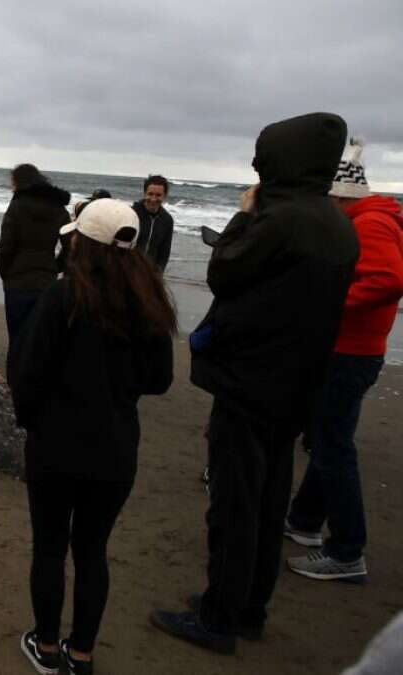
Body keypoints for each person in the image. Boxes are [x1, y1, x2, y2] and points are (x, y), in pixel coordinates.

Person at [150, 113, 360, 655]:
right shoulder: (335, 222)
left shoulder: (283, 219)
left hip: (251, 380)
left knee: (235, 501)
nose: (254, 165)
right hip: (296, 381)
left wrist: (246, 216)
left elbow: (226, 271)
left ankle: (219, 618)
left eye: (263, 155)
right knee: (268, 501)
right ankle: (247, 608)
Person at [9, 198, 175, 675]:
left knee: (49, 546)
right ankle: (81, 653)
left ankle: (45, 647)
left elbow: (27, 372)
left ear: (80, 240)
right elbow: (159, 378)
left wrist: (32, 421)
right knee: (91, 551)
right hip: (116, 447)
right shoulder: (149, 299)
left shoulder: (63, 296)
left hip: (56, 445)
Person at [284, 137, 403, 584]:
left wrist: (326, 305)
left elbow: (389, 280)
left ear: (337, 196)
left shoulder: (369, 222)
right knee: (329, 437)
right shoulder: (366, 218)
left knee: (333, 446)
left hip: (351, 352)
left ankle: (348, 549)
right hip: (351, 349)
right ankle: (305, 521)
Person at [0, 164, 71, 338]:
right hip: (47, 281)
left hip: (17, 281)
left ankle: (15, 366)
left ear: (19, 182)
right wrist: (55, 266)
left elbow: (6, 246)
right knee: (40, 340)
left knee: (17, 337)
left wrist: (6, 273)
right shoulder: (59, 208)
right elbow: (71, 246)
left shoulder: (16, 206)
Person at [133, 176, 174, 272]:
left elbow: (164, 253)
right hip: (127, 271)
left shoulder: (167, 220)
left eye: (158, 195)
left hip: (150, 273)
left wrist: (158, 274)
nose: (153, 199)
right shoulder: (132, 214)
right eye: (150, 194)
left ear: (164, 196)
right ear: (144, 194)